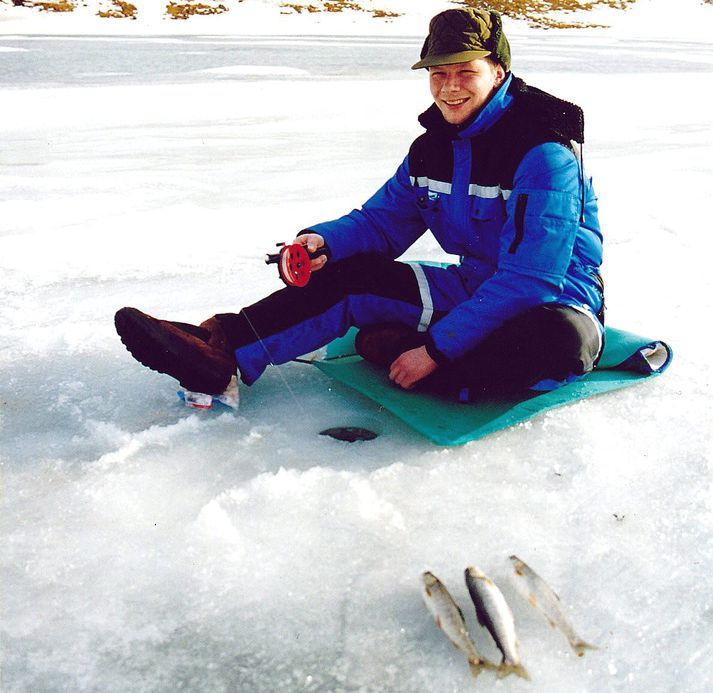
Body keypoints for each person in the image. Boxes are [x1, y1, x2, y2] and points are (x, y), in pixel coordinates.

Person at [115, 7, 604, 404]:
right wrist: (325, 241)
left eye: (465, 72)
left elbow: (530, 279)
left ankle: (421, 360)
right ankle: (221, 350)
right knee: (352, 275)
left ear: (498, 71)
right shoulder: (432, 149)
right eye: (438, 73)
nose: (449, 87)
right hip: (474, 288)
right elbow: (382, 221)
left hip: (554, 302)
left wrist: (434, 351)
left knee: (556, 343)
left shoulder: (544, 154)